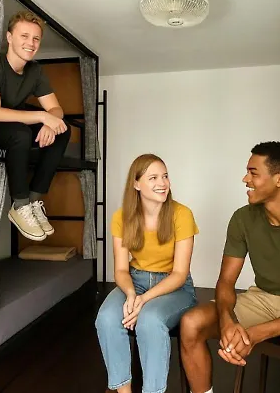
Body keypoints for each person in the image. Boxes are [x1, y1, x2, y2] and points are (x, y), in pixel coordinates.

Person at [180, 142, 280, 393]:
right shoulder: (242, 218)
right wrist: (227, 321)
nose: (245, 179)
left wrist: (255, 334)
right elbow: (226, 282)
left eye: (253, 173)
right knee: (192, 323)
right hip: (262, 299)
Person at [95, 154, 199, 393]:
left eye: (165, 176)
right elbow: (121, 269)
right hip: (135, 280)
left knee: (150, 321)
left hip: (174, 287)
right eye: (153, 178)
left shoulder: (182, 214)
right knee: (107, 318)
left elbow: (179, 274)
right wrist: (132, 294)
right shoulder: (121, 217)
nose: (162, 183)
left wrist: (144, 300)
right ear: (136, 184)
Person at [0, 10, 71, 242]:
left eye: (36, 38)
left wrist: (50, 123)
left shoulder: (35, 70)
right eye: (24, 36)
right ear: (9, 37)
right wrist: (42, 117)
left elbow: (56, 109)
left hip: (19, 123)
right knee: (21, 134)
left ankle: (34, 201)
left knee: (63, 130)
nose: (31, 43)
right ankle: (20, 204)